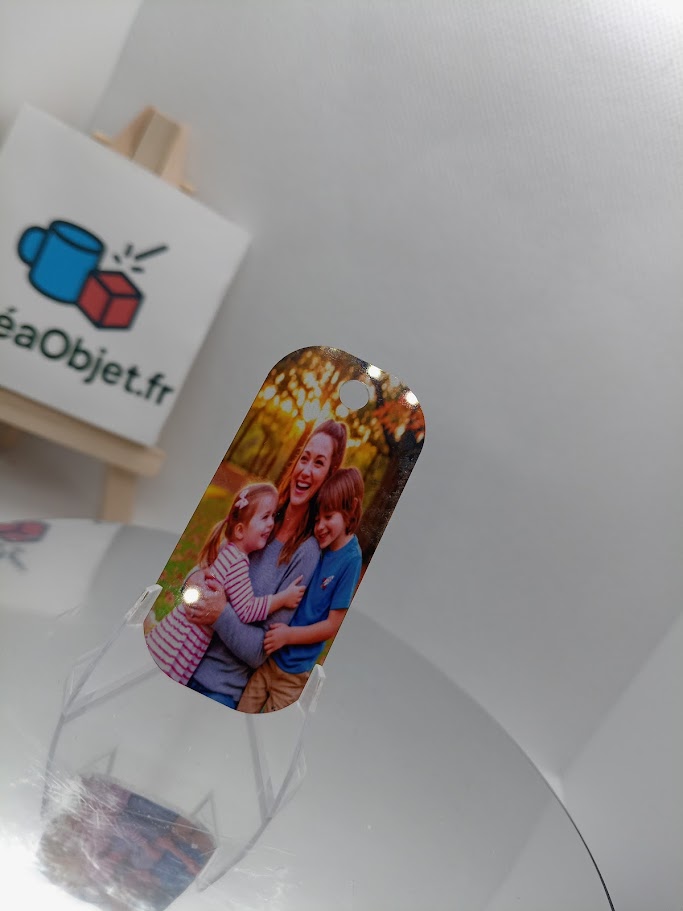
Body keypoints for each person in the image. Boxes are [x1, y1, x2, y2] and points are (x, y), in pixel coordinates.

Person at [182, 420, 349, 709]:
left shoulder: (306, 553)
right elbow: (204, 570)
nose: (306, 470)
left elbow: (261, 650)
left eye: (319, 463)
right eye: (304, 458)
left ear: (329, 476)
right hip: (180, 658)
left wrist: (219, 612)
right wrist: (193, 581)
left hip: (217, 690)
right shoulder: (262, 514)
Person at [145, 482, 305, 688]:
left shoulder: (228, 550)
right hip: (182, 644)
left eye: (274, 516)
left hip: (178, 633)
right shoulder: (237, 562)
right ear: (240, 530)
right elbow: (248, 610)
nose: (271, 524)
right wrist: (283, 598)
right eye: (265, 517)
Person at [237, 467, 364, 713]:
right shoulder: (317, 547)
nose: (320, 526)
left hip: (293, 675)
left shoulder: (351, 559)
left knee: (267, 730)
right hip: (270, 660)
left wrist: (288, 636)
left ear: (351, 510)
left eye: (328, 517)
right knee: (241, 713)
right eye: (317, 519)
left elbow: (332, 626)